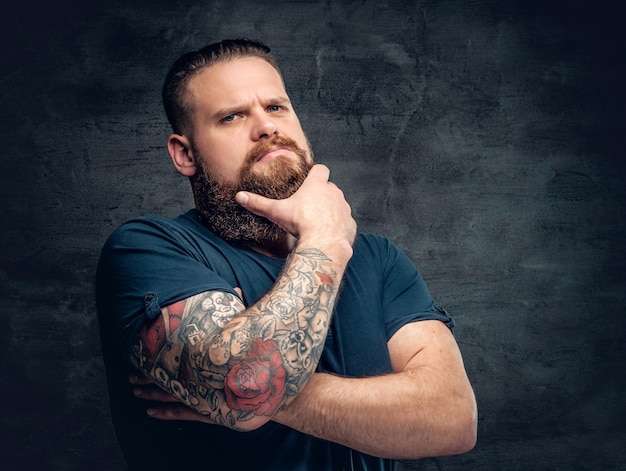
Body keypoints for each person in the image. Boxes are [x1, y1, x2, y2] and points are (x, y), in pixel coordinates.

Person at [96, 38, 477, 471]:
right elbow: (241, 385)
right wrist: (325, 240)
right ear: (185, 154)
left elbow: (453, 418)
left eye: (276, 107)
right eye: (232, 116)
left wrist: (251, 394)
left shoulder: (377, 259)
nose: (265, 127)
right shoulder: (149, 248)